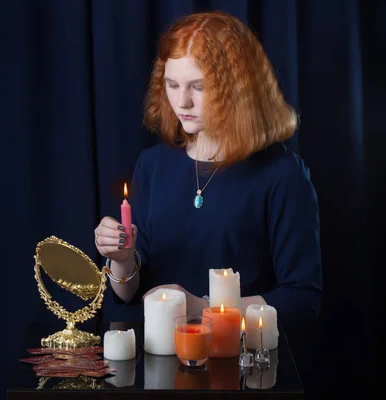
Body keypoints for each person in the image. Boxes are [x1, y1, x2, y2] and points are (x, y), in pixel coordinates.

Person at [94, 11, 322, 333]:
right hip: (160, 366)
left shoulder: (283, 175)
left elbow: (302, 300)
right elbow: (129, 295)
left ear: (237, 89)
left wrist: (203, 309)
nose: (182, 101)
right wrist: (121, 259)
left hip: (244, 370)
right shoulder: (152, 165)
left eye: (198, 87)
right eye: (172, 84)